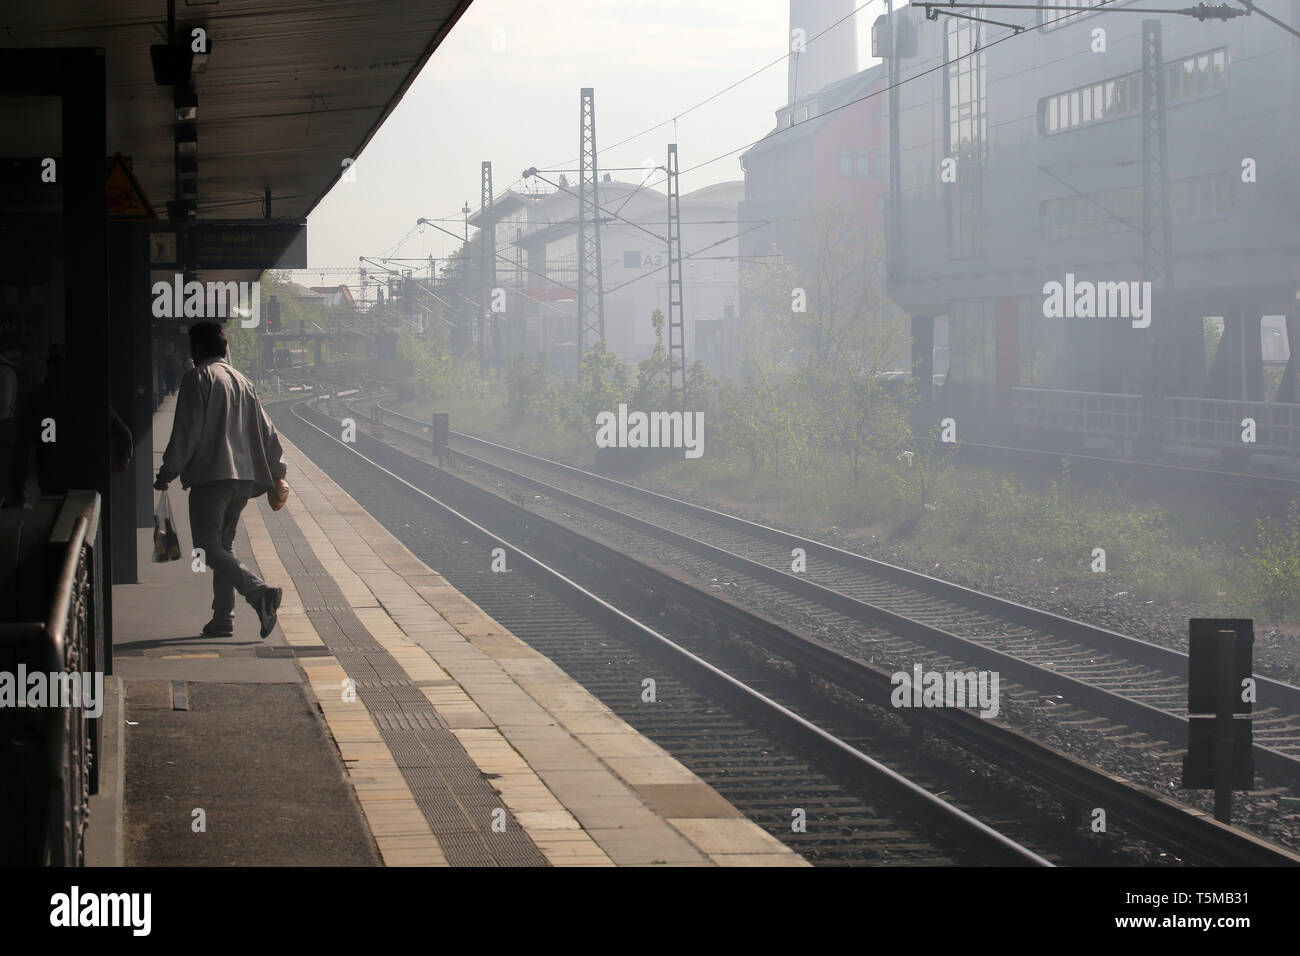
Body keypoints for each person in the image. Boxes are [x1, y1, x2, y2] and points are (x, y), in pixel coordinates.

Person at [154, 321, 285, 639]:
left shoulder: (198, 378)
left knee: (207, 547)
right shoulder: (243, 381)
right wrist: (277, 473)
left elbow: (186, 431)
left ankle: (259, 594)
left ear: (197, 349)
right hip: (244, 478)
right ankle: (222, 619)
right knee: (223, 546)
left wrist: (168, 471)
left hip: (212, 476)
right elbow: (268, 431)